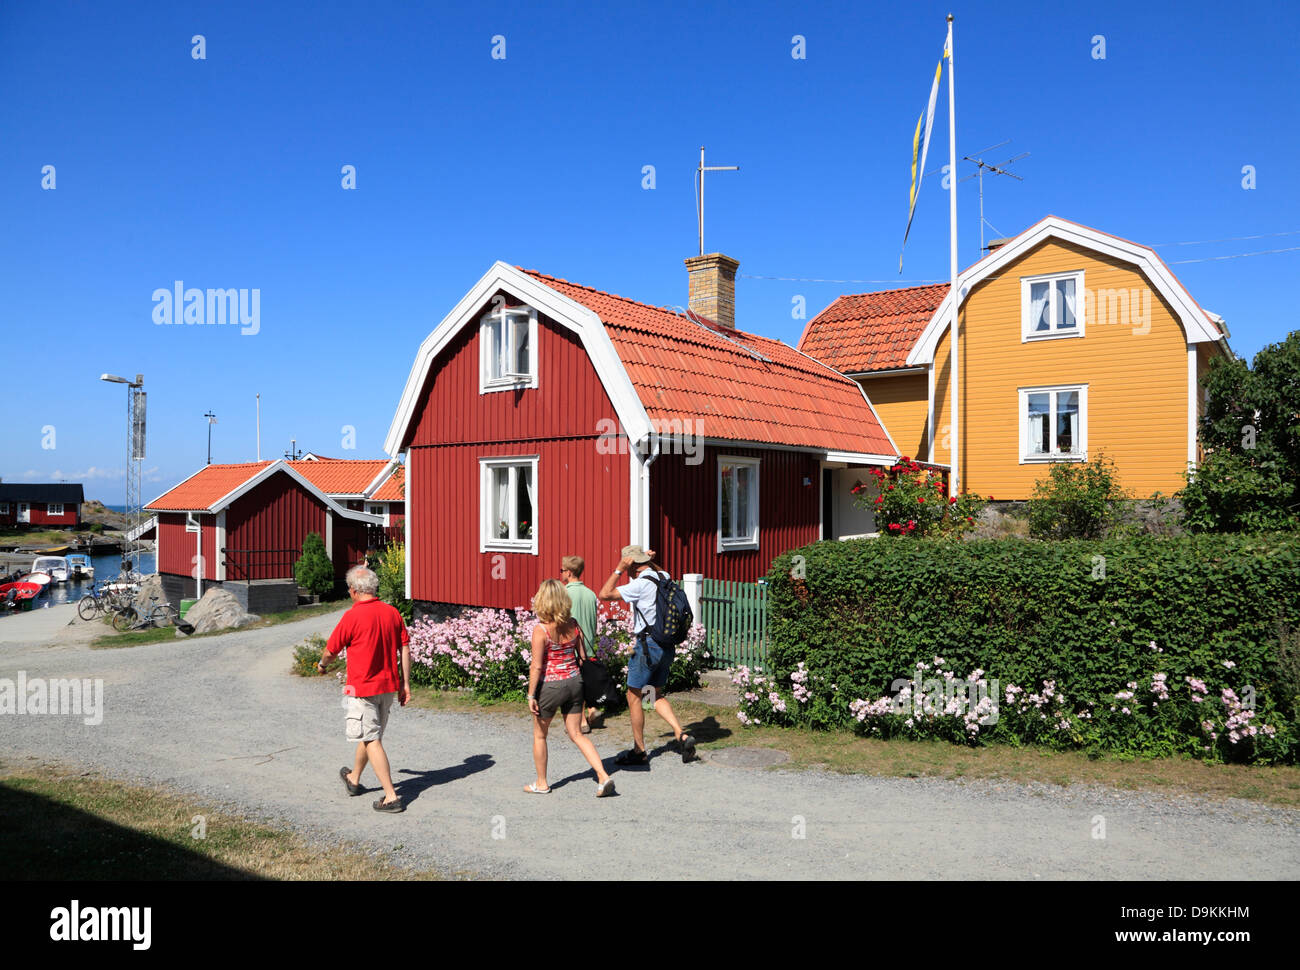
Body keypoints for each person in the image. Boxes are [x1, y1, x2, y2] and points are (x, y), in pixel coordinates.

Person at [317, 564, 411, 813]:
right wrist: (405, 683)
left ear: (354, 591)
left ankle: (391, 797)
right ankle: (354, 778)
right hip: (388, 687)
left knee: (370, 738)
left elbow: (330, 651)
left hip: (363, 688)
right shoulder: (392, 613)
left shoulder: (352, 616)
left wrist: (321, 664)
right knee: (371, 735)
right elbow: (405, 648)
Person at [597, 544, 697, 765]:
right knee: (654, 694)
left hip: (647, 647)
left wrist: (618, 569)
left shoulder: (640, 584)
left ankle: (639, 750)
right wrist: (650, 561)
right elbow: (660, 572)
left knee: (633, 696)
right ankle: (682, 734)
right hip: (666, 645)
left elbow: (604, 594)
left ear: (631, 565)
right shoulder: (662, 575)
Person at [525, 579, 616, 797]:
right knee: (576, 733)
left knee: (540, 735)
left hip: (551, 686)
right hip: (575, 682)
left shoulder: (541, 630)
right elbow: (583, 657)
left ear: (543, 601)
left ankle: (541, 783)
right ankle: (603, 776)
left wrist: (530, 695)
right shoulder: (574, 624)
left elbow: (537, 666)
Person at [560, 554, 600, 733]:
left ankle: (582, 720)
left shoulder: (565, 593)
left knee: (576, 684)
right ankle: (592, 708)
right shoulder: (590, 593)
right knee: (587, 679)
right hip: (589, 641)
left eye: (562, 571)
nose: (561, 574)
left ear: (568, 572)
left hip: (572, 643)